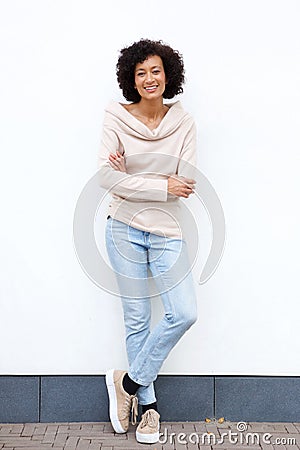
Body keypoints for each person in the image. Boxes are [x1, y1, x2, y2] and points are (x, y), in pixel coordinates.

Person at [98, 38, 198, 444]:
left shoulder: (185, 122)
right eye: (140, 73)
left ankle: (129, 384)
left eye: (155, 70)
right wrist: (160, 181)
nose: (149, 78)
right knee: (137, 320)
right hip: (122, 228)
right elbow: (105, 178)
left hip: (167, 232)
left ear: (168, 74)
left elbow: (184, 185)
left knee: (184, 312)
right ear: (131, 79)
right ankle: (150, 410)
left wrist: (132, 176)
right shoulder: (114, 116)